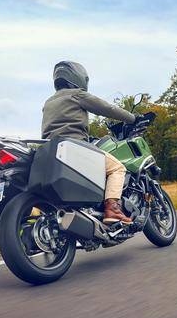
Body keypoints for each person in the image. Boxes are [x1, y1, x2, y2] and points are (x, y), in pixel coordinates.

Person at [41, 60, 137, 225]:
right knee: (117, 168)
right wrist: (132, 118)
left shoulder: (48, 102)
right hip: (75, 146)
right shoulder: (77, 94)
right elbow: (107, 108)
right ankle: (113, 209)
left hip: (52, 150)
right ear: (78, 77)